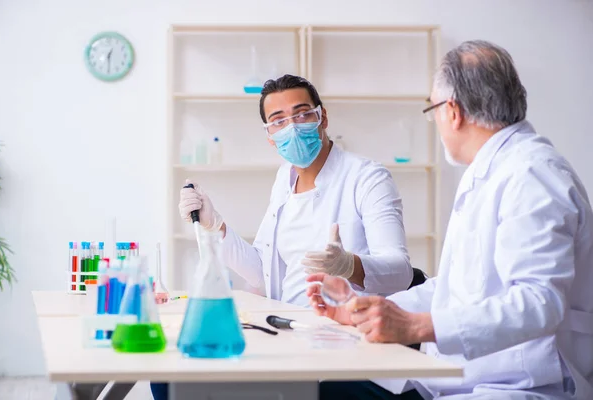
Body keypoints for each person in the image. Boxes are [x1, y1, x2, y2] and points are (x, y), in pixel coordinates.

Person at [308, 40, 593, 399]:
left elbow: (538, 302)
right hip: (467, 375)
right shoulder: (493, 172)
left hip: (519, 385)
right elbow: (458, 287)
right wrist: (364, 311)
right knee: (333, 387)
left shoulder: (532, 175)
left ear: (453, 111)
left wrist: (415, 326)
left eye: (433, 110)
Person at [178, 74, 415, 306]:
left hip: (350, 329)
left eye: (302, 114)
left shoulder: (367, 178)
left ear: (322, 118)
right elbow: (262, 272)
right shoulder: (284, 179)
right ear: (269, 136)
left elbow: (401, 274)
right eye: (279, 121)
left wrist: (350, 266)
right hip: (291, 324)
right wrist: (216, 226)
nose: (292, 128)